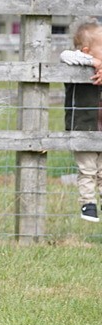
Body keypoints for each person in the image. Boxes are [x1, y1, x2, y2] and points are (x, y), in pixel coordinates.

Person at [60, 19, 102, 222]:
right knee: (87, 170)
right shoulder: (75, 64)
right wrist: (92, 62)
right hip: (83, 128)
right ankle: (88, 204)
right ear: (87, 51)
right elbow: (65, 55)